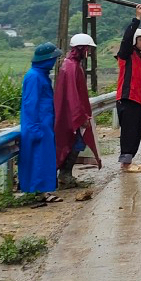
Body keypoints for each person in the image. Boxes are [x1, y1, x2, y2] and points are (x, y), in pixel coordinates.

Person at [54, 33, 103, 188]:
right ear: (81, 49)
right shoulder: (71, 67)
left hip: (70, 113)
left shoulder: (72, 65)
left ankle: (65, 173)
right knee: (73, 143)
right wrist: (80, 117)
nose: (88, 51)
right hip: (70, 114)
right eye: (87, 48)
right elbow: (73, 95)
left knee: (75, 143)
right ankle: (65, 174)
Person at [20, 42, 62, 199]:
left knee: (45, 159)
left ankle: (44, 190)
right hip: (37, 125)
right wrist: (35, 128)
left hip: (44, 124)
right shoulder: (34, 77)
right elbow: (30, 104)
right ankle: (40, 191)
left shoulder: (41, 76)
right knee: (38, 159)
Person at [115, 4, 141, 173]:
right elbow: (126, 37)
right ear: (133, 42)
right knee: (129, 131)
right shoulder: (126, 55)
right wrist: (137, 18)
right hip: (128, 98)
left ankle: (129, 161)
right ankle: (126, 163)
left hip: (138, 99)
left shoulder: (140, 58)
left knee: (136, 131)